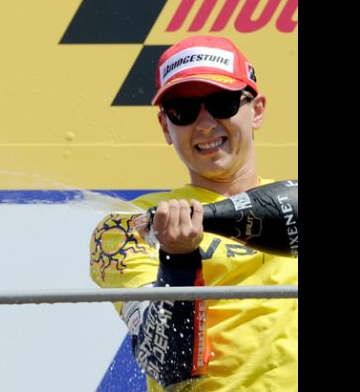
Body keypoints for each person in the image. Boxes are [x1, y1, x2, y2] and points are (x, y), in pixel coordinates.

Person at [89, 35, 297, 391]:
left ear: (257, 110)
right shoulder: (127, 227)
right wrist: (178, 262)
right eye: (183, 110)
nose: (204, 124)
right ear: (165, 127)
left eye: (222, 103)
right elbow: (166, 363)